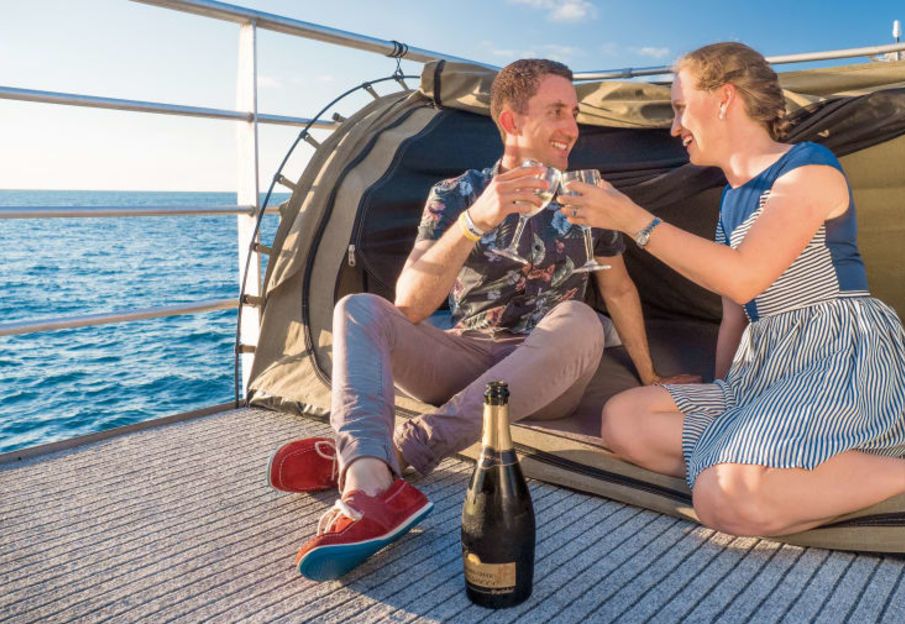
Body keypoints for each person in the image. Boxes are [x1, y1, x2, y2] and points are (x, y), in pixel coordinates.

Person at [267, 58, 698, 581]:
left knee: (581, 318)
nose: (573, 127)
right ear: (511, 122)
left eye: (575, 112)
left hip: (545, 369)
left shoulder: (589, 197)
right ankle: (368, 481)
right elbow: (412, 306)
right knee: (358, 309)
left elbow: (620, 289)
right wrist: (475, 221)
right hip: (465, 355)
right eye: (558, 112)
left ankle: (392, 458)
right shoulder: (456, 195)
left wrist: (650, 375)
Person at [558, 42, 905, 538]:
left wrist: (632, 219)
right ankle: (791, 469)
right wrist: (724, 392)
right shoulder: (730, 201)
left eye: (680, 108)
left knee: (726, 500)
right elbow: (736, 313)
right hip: (765, 366)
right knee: (624, 420)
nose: (674, 127)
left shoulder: (809, 168)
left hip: (836, 356)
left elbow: (746, 275)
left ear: (724, 98)